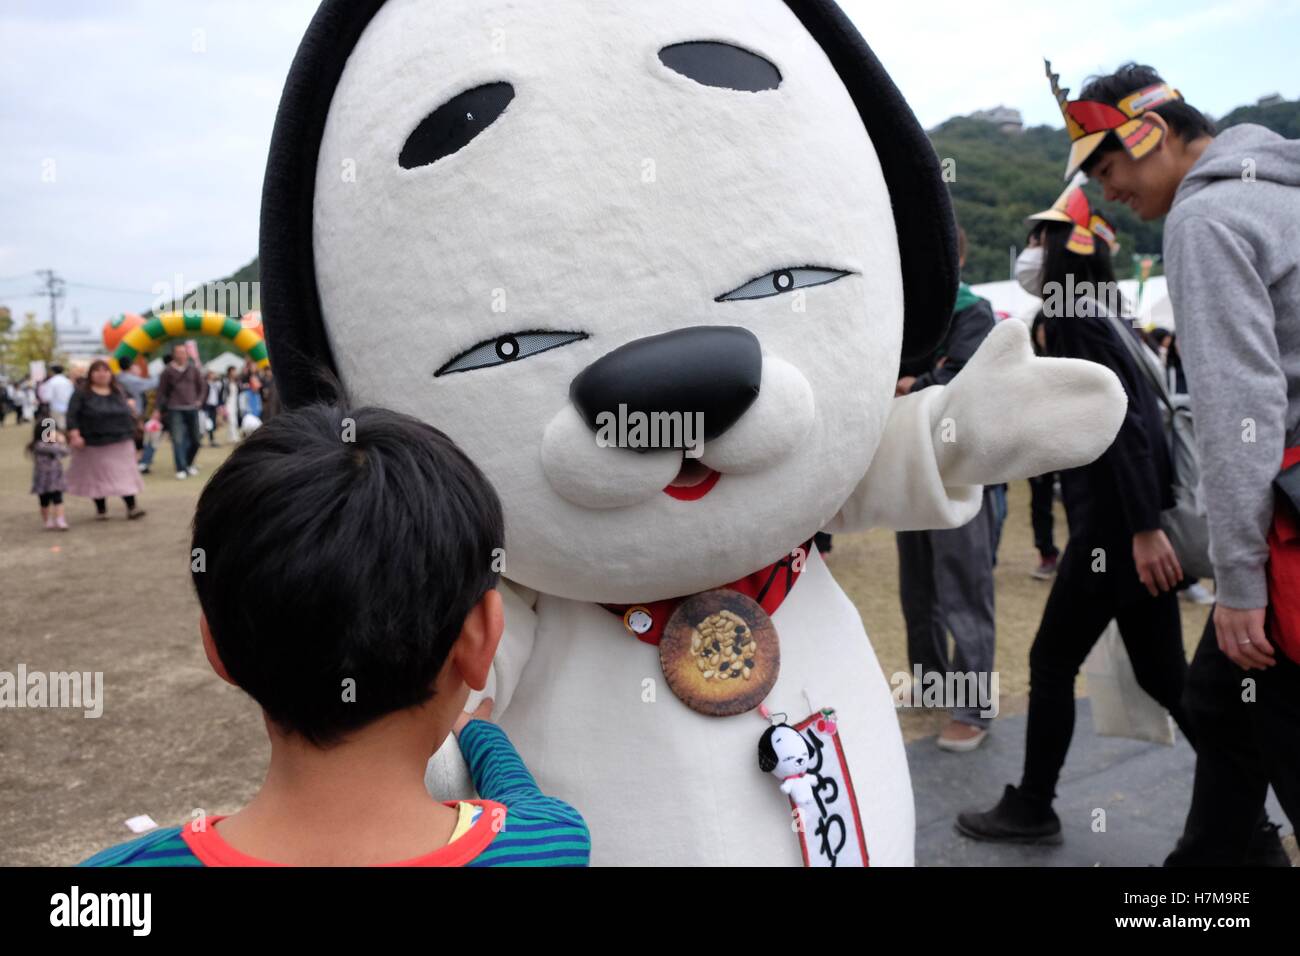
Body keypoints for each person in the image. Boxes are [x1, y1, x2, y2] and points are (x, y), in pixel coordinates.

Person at [80, 403, 590, 867]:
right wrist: (480, 734)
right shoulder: (547, 847)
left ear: (218, 648)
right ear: (481, 638)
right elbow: (527, 806)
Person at [1076, 61, 1300, 866]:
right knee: (1218, 703)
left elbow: (1244, 413)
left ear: (1154, 136)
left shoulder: (1205, 221)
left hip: (1288, 522)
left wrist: (1240, 582)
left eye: (1108, 169)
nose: (1107, 193)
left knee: (1251, 703)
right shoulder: (1283, 191)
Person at [957, 187, 1194, 844]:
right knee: (1164, 676)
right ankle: (1248, 811)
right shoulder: (1106, 310)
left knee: (1056, 659)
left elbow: (1122, 426)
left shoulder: (1075, 320)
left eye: (1039, 239)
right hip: (1126, 523)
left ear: (1060, 250)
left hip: (1116, 530)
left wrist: (1145, 528)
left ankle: (1034, 805)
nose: (1030, 252)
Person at [894, 226, 1001, 752]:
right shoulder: (906, 316)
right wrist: (920, 381)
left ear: (954, 258)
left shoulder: (973, 311)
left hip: (963, 468)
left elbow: (961, 382)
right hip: (911, 466)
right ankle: (930, 679)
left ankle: (974, 706)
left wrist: (915, 384)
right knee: (917, 587)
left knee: (963, 587)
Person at [64, 360, 146, 521]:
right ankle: (101, 509)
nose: (102, 374)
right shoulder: (81, 393)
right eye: (97, 371)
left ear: (110, 373)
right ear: (91, 374)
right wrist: (75, 434)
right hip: (93, 442)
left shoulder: (119, 390)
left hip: (121, 439)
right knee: (97, 477)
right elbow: (71, 415)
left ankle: (132, 507)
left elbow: (132, 408)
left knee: (125, 475)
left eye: (105, 370)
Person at [156, 343, 205, 480]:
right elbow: (161, 392)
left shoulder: (193, 369)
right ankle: (181, 468)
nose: (181, 355)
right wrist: (158, 409)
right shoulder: (167, 371)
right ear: (173, 354)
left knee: (196, 439)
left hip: (192, 408)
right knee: (178, 440)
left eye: (183, 352)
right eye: (178, 352)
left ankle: (188, 464)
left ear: (187, 354)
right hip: (174, 408)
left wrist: (199, 400)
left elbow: (202, 386)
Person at [28, 405, 69, 531]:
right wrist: (60, 441)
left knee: (58, 499)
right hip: (43, 480)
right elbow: (60, 450)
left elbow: (66, 452)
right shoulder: (39, 445)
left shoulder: (49, 444)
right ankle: (48, 521)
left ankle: (60, 519)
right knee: (44, 502)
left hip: (56, 478)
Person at [37, 364, 75, 430]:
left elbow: (47, 398)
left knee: (58, 428)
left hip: (56, 408)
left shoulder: (51, 382)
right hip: (68, 408)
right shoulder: (68, 381)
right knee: (66, 427)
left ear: (52, 371)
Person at [202, 371, 223, 448]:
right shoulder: (205, 383)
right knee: (207, 423)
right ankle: (206, 439)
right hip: (206, 406)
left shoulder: (215, 384)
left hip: (213, 406)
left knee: (212, 423)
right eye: (211, 374)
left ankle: (212, 439)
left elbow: (220, 387)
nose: (213, 376)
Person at [223, 367, 241, 443]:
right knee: (231, 420)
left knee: (234, 420)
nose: (235, 373)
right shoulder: (226, 381)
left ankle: (232, 436)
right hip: (228, 402)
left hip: (235, 403)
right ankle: (233, 437)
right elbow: (223, 393)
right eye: (233, 371)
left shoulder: (236, 381)